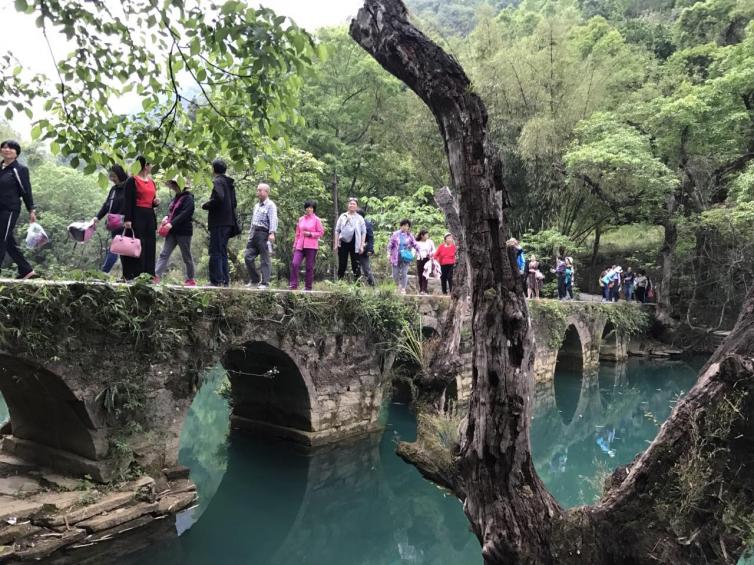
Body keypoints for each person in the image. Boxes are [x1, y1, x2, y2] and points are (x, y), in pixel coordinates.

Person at [0, 140, 37, 279]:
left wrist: (31, 209)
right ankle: (26, 270)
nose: (6, 149)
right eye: (3, 147)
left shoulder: (20, 169)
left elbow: (26, 190)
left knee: (1, 238)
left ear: (16, 153)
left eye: (10, 148)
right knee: (7, 239)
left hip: (9, 209)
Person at [122, 156, 159, 281]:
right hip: (137, 215)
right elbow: (128, 201)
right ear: (145, 165)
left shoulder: (151, 181)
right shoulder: (132, 180)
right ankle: (136, 274)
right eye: (150, 164)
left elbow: (151, 200)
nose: (152, 167)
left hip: (149, 215)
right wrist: (127, 219)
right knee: (138, 244)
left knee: (150, 244)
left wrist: (155, 202)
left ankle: (149, 274)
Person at [202, 159, 237, 287]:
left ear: (213, 169)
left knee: (215, 250)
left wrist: (206, 205)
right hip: (228, 222)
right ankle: (224, 280)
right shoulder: (229, 183)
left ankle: (216, 281)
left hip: (219, 222)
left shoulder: (217, 181)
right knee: (222, 251)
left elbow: (218, 198)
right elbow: (234, 203)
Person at [155, 178, 196, 286]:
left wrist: (171, 223)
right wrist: (166, 218)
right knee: (164, 254)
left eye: (175, 184)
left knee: (186, 256)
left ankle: (190, 279)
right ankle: (156, 276)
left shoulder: (189, 198)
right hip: (172, 231)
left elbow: (185, 214)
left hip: (183, 232)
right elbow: (172, 212)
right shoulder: (176, 197)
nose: (173, 186)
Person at [92, 164, 128, 273]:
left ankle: (104, 272)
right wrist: (97, 217)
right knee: (119, 250)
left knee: (115, 249)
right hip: (115, 224)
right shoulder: (114, 189)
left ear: (120, 174)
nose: (112, 179)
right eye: (110, 176)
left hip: (126, 224)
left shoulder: (128, 187)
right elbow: (107, 205)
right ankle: (126, 275)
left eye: (114, 176)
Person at [244, 183, 278, 289]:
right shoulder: (256, 206)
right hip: (254, 234)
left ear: (266, 192)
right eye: (257, 190)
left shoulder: (270, 205)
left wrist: (272, 233)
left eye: (260, 190)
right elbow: (253, 222)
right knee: (247, 256)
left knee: (265, 259)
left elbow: (273, 219)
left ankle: (265, 283)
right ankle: (254, 280)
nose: (257, 192)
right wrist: (250, 234)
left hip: (264, 234)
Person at [289, 200, 324, 291]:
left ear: (314, 209)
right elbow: (297, 233)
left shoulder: (317, 220)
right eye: (308, 207)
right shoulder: (301, 219)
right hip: (300, 245)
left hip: (311, 246)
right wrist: (294, 245)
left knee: (309, 267)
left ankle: (308, 287)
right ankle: (293, 285)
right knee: (294, 263)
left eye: (311, 208)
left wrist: (310, 234)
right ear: (305, 208)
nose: (309, 209)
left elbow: (321, 232)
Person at [334, 197, 366, 281]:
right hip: (343, 242)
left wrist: (362, 245)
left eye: (354, 204)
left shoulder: (360, 218)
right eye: (350, 203)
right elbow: (337, 230)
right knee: (342, 264)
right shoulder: (342, 216)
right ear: (347, 205)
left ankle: (357, 285)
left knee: (356, 265)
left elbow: (363, 232)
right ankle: (339, 283)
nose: (352, 205)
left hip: (356, 243)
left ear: (357, 206)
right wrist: (336, 243)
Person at [388, 219, 419, 295]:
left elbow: (415, 244)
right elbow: (390, 245)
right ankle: (396, 287)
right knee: (395, 273)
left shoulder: (410, 235)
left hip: (405, 257)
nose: (406, 227)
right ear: (401, 226)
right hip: (396, 256)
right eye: (404, 225)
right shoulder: (395, 234)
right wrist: (388, 254)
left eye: (407, 226)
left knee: (404, 273)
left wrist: (418, 251)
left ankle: (403, 289)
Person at [357, 208, 375, 286]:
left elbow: (370, 238)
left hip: (364, 249)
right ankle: (357, 287)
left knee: (366, 269)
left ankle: (373, 286)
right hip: (354, 249)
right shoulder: (352, 223)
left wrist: (370, 249)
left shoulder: (367, 224)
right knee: (356, 268)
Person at [415, 230, 436, 295]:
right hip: (419, 259)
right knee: (420, 274)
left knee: (425, 274)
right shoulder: (417, 242)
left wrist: (430, 254)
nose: (427, 236)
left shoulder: (430, 242)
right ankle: (421, 289)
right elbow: (414, 251)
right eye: (426, 235)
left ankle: (424, 289)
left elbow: (434, 250)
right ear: (422, 235)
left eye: (427, 235)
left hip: (427, 259)